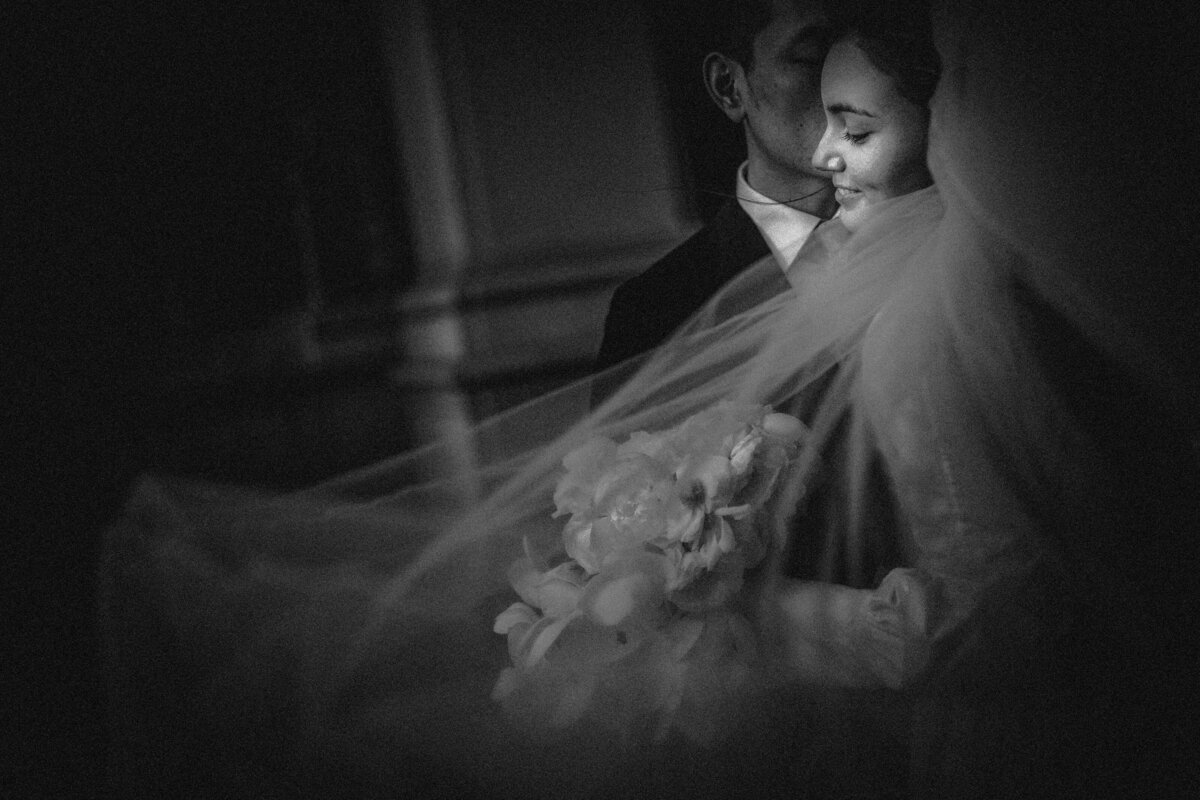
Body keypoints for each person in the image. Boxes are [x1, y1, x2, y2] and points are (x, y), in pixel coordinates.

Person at [100, 1, 1199, 798]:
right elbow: (601, 510)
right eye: (806, 62)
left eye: (852, 109)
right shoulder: (657, 307)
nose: (826, 127)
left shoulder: (981, 277)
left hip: (960, 708)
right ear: (729, 87)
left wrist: (800, 627)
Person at [592, 0, 837, 392]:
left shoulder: (947, 238)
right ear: (729, 86)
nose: (849, 82)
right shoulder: (656, 308)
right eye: (814, 58)